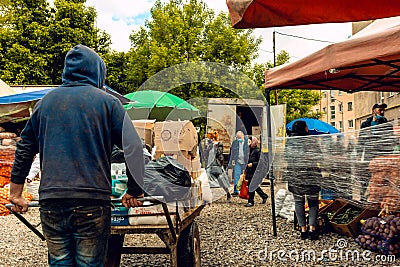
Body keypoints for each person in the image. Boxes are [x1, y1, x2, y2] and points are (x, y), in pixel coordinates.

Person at [9, 44, 145, 266]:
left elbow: (25, 147)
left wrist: (16, 193)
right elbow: (133, 147)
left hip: (52, 202)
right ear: (97, 71)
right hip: (91, 202)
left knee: (60, 262)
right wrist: (134, 190)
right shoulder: (108, 103)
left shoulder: (44, 104)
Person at [284, 120, 322, 240]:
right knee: (313, 203)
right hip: (311, 175)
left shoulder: (289, 142)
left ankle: (303, 230)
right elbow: (319, 156)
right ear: (305, 128)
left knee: (299, 202)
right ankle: (312, 230)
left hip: (296, 176)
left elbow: (286, 157)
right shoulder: (311, 141)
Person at [357, 103, 394, 202]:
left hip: (382, 155)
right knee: (365, 177)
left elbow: (390, 140)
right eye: (380, 110)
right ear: (373, 111)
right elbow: (361, 140)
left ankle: (380, 199)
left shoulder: (387, 124)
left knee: (382, 178)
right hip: (369, 155)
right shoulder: (366, 124)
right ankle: (363, 199)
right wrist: (359, 155)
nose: (382, 112)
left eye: (383, 110)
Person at [205, 131, 231, 202]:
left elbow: (219, 153)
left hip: (217, 164)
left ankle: (228, 193)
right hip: (210, 165)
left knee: (221, 181)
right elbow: (206, 154)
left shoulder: (219, 144)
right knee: (207, 181)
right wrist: (208, 146)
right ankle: (209, 197)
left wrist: (215, 146)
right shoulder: (209, 145)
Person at [244, 136, 268, 207]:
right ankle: (264, 196)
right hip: (250, 171)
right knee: (254, 185)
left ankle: (251, 201)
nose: (248, 143)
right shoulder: (249, 150)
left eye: (249, 141)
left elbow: (262, 162)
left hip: (256, 171)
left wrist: (253, 164)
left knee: (252, 185)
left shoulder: (258, 151)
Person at [228, 131, 248, 195]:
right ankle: (236, 191)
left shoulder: (247, 142)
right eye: (237, 137)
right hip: (238, 161)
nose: (238, 138)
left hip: (245, 162)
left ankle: (247, 191)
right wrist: (230, 162)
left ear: (243, 135)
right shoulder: (235, 143)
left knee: (246, 177)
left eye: (239, 137)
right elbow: (232, 153)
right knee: (236, 176)